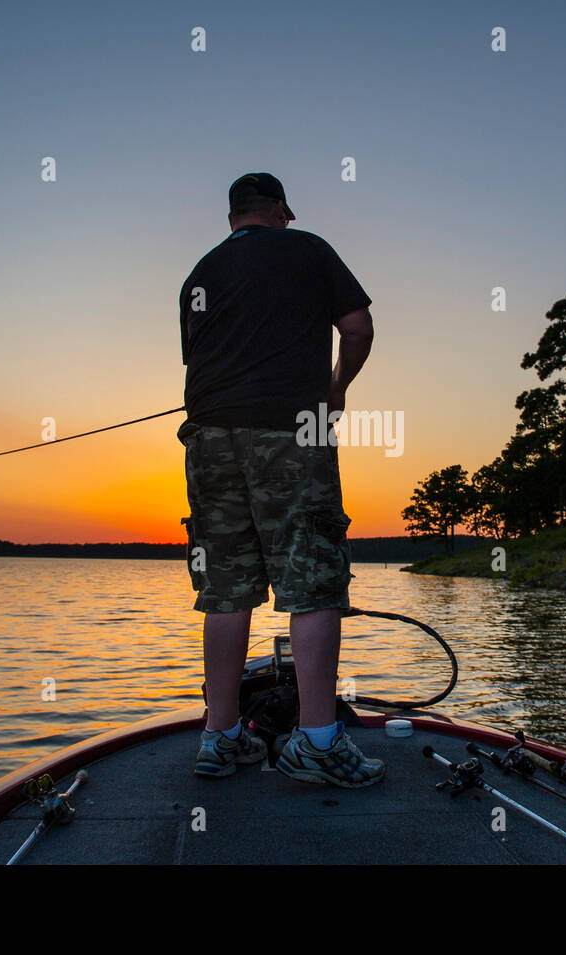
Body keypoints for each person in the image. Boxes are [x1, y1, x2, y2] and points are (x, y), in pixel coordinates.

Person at [178, 172, 384, 788]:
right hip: (293, 431)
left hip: (208, 439)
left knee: (225, 587)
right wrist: (336, 388)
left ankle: (220, 737)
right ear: (280, 209)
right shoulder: (309, 248)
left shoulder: (199, 274)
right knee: (313, 577)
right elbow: (358, 329)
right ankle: (318, 744)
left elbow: (197, 356)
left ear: (233, 216)